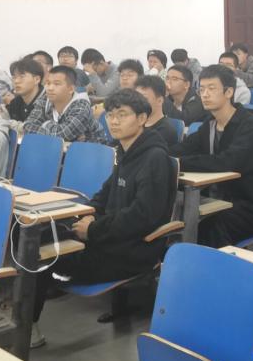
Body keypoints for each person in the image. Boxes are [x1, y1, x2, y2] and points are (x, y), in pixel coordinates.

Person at [30, 88, 174, 347]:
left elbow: (143, 216)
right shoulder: (125, 151)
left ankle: (27, 329)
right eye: (110, 115)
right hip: (109, 237)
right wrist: (81, 217)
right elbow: (103, 195)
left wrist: (94, 229)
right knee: (38, 237)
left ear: (142, 118)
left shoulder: (154, 157)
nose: (114, 121)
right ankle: (23, 319)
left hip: (132, 250)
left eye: (122, 115)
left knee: (42, 258)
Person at [170, 64, 253, 247]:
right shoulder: (210, 124)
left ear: (229, 92)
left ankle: (217, 264)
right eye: (201, 89)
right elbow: (184, 147)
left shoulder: (249, 124)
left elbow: (228, 161)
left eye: (211, 88)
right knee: (178, 219)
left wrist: (179, 163)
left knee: (210, 228)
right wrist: (160, 157)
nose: (205, 94)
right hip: (223, 200)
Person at [23, 66, 105, 143]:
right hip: (57, 147)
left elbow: (64, 135)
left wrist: (45, 124)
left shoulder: (81, 105)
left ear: (71, 89)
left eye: (56, 84)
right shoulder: (45, 100)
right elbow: (27, 127)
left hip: (92, 149)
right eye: (48, 83)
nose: (50, 88)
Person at [134, 74, 178, 146]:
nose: (138, 102)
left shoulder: (165, 131)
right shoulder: (134, 124)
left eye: (144, 99)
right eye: (136, 98)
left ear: (160, 101)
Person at [5, 56, 44, 123]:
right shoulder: (15, 103)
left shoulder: (48, 103)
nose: (16, 81)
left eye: (22, 76)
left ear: (37, 79)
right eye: (14, 77)